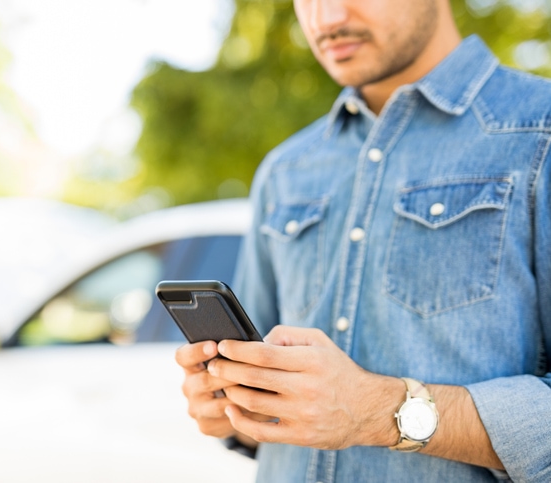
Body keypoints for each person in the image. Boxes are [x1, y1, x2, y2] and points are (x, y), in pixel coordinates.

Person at [175, 0, 551, 481]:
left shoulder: (539, 136)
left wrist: (378, 411)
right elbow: (266, 401)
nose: (325, 19)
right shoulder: (285, 171)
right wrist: (237, 406)